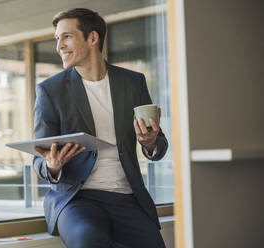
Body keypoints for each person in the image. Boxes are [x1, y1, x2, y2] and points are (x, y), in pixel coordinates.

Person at [33, 8, 168, 248]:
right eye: (57, 39)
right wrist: (52, 166)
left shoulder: (133, 82)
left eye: (67, 37)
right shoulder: (50, 91)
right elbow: (39, 160)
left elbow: (159, 143)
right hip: (77, 199)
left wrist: (149, 142)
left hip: (128, 196)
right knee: (89, 242)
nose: (59, 46)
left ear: (92, 38)